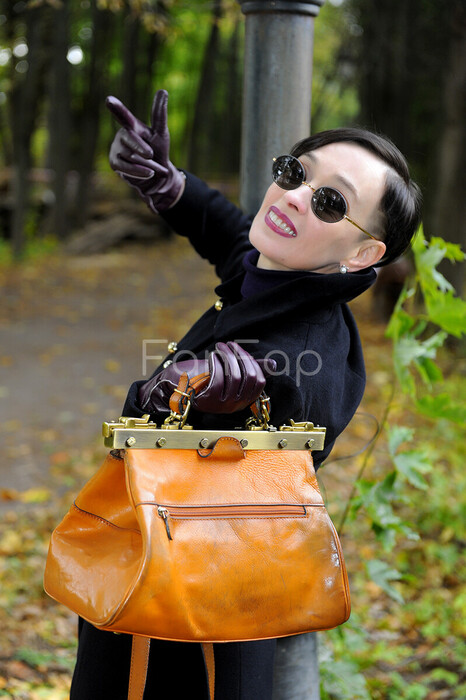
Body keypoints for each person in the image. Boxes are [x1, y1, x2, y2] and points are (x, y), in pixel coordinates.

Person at [69, 90, 422, 700]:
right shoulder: (286, 277)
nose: (294, 197)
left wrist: (204, 402)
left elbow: (289, 410)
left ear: (364, 253)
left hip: (193, 619)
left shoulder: (297, 356)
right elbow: (234, 239)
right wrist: (171, 187)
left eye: (331, 202)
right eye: (295, 172)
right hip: (154, 568)